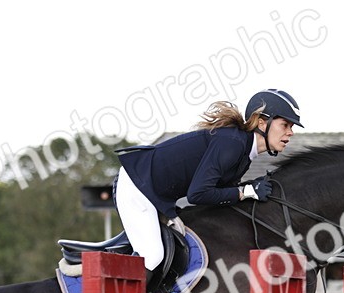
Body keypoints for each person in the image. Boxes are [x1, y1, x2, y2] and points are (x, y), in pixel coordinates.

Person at [114, 89, 302, 279]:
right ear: (262, 121)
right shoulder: (233, 143)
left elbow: (219, 193)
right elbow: (197, 195)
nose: (290, 133)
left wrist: (248, 189)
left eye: (291, 127)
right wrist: (245, 192)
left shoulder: (243, 151)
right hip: (138, 186)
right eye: (285, 125)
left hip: (156, 194)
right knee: (153, 257)